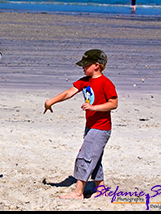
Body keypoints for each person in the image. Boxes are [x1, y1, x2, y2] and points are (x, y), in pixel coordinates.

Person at [43, 49, 118, 199]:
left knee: (85, 157)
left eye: (85, 65)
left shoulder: (105, 83)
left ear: (96, 65)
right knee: (95, 159)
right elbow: (69, 92)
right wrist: (50, 101)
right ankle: (101, 189)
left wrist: (94, 107)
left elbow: (114, 103)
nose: (82, 67)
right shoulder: (85, 80)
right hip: (90, 127)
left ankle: (78, 192)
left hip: (101, 128)